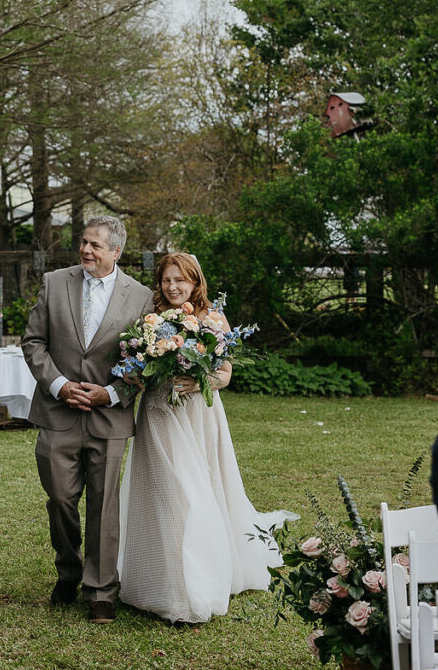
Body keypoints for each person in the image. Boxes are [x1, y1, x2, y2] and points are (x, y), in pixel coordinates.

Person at [118, 252, 297, 624]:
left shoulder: (212, 318)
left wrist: (199, 380)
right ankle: (163, 578)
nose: (173, 287)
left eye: (180, 281)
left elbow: (226, 373)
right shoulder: (150, 318)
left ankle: (198, 578)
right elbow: (135, 362)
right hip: (158, 412)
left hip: (199, 414)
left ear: (195, 282)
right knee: (166, 491)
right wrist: (140, 373)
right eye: (167, 280)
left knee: (199, 490)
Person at [22, 215, 154, 624]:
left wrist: (112, 393)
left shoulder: (142, 297)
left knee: (104, 505)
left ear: (116, 251)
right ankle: (68, 570)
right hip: (57, 412)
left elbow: (147, 359)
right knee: (60, 499)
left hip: (109, 417)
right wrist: (59, 384)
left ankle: (101, 591)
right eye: (83, 242)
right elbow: (33, 342)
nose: (86, 250)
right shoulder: (55, 282)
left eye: (96, 245)